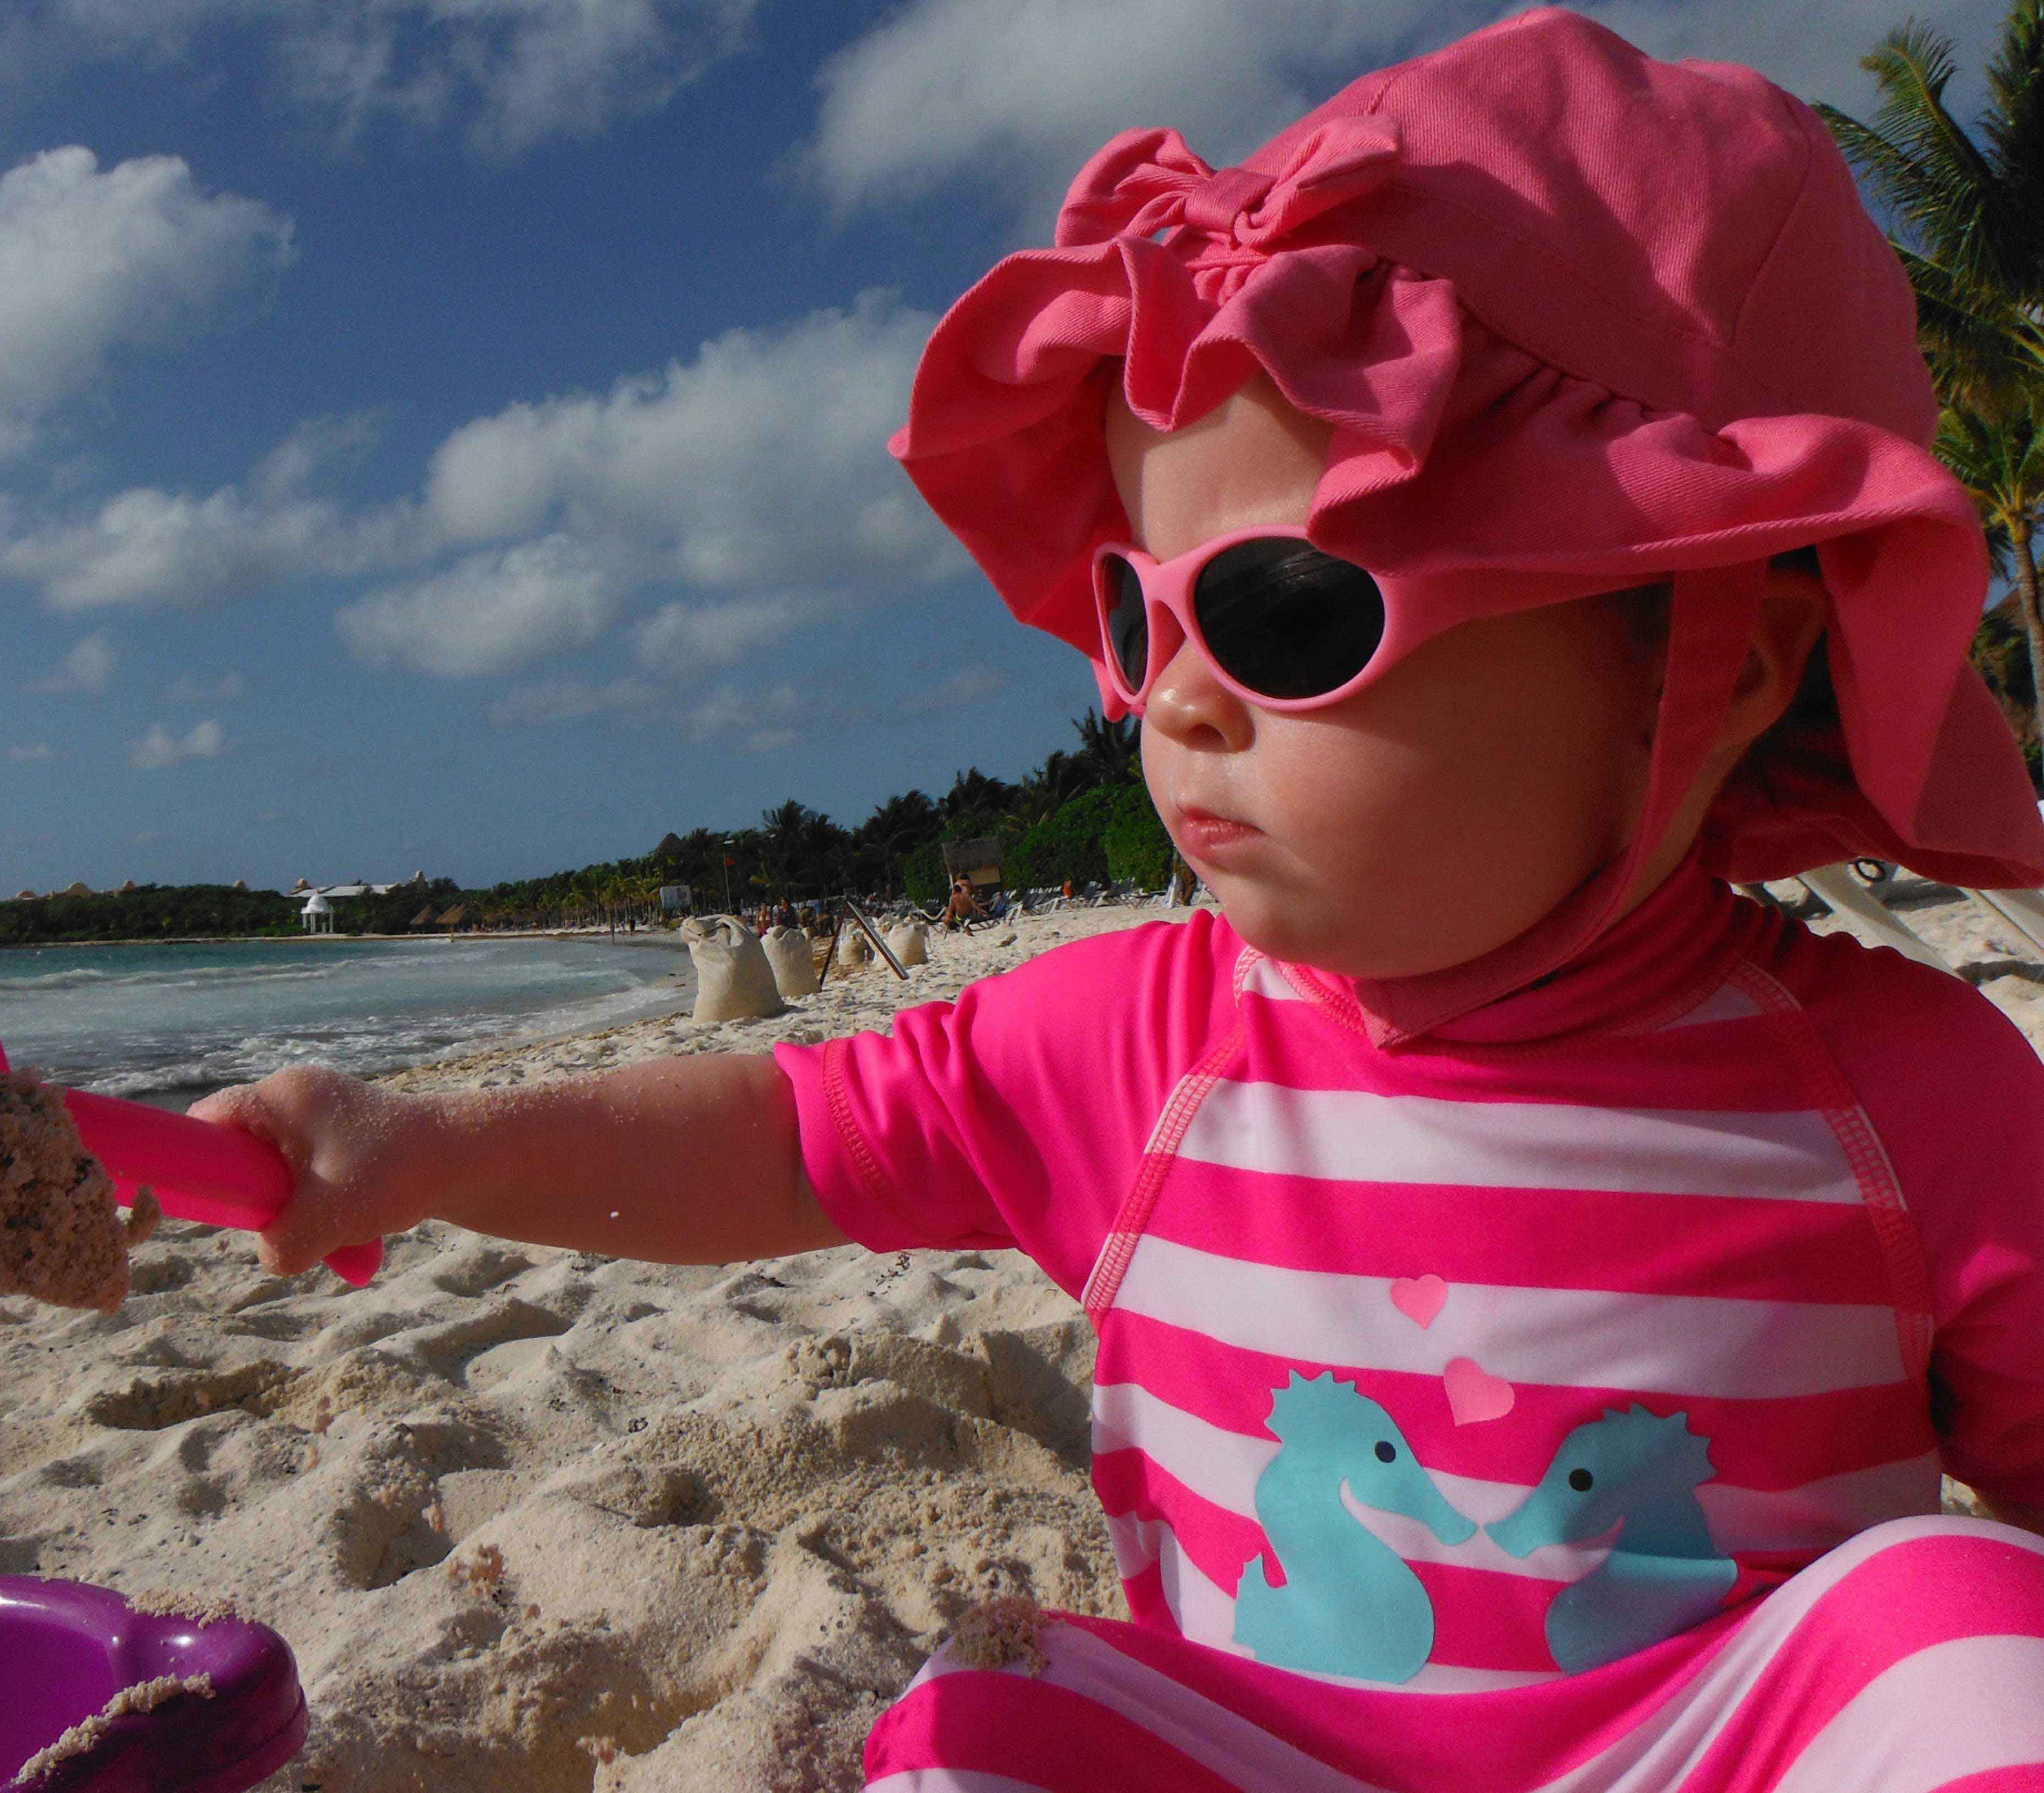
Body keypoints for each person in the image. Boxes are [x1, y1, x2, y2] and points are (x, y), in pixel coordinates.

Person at [192, 14, 2044, 1787]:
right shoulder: (1151, 1042)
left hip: (1726, 1757)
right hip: (1278, 1759)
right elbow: (780, 1138)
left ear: (1712, 666)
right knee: (990, 1707)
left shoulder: (1905, 1095)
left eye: (1285, 612)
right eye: (1134, 614)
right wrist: (430, 1145)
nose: (1172, 696)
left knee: (1955, 1616)